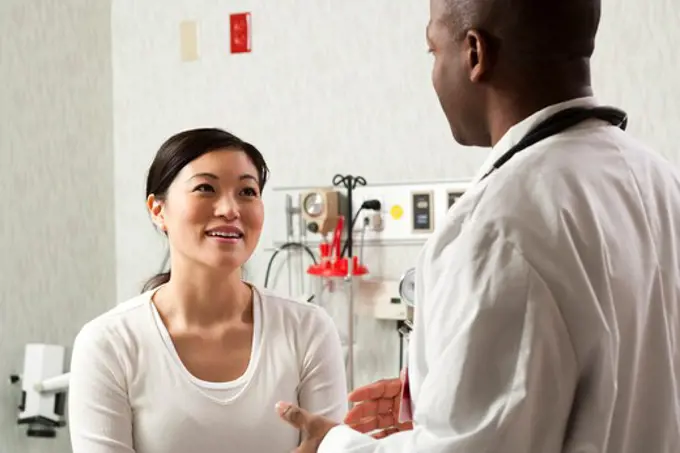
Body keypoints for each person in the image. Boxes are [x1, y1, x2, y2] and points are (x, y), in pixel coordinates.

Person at [276, 0, 680, 452]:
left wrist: (335, 444)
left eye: (433, 50)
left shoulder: (498, 226)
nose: (432, 73)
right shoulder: (661, 181)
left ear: (474, 53)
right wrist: (438, 399)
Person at [68, 128, 348, 453]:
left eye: (247, 191)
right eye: (205, 188)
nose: (230, 209)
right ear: (158, 210)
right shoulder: (109, 343)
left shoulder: (307, 330)